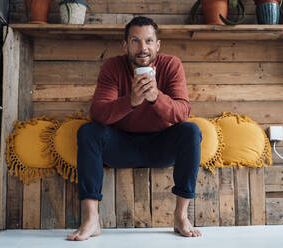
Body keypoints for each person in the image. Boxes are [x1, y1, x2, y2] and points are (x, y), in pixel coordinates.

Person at [67, 16, 202, 241]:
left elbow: (182, 112)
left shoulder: (171, 65)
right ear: (125, 45)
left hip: (161, 146)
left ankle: (181, 216)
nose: (143, 48)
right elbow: (99, 113)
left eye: (149, 41)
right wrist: (131, 101)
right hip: (121, 146)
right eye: (135, 41)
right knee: (88, 131)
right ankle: (91, 219)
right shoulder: (112, 67)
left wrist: (156, 97)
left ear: (157, 45)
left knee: (191, 131)